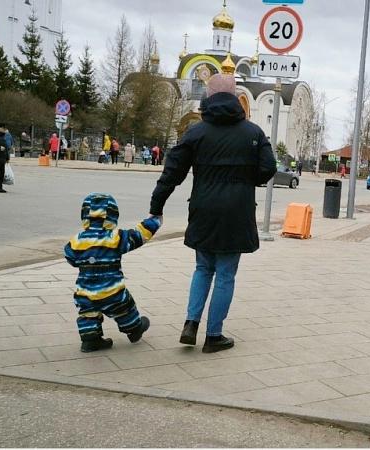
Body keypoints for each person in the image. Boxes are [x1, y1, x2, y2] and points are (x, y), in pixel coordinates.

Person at [150, 74, 276, 354]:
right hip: (237, 212)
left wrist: (156, 207)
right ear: (235, 97)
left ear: (208, 96)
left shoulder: (196, 133)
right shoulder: (253, 133)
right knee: (226, 274)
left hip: (203, 208)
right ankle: (214, 335)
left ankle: (191, 323)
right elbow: (268, 168)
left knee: (202, 267)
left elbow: (172, 173)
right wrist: (246, 180)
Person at [64, 193, 160, 353]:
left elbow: (70, 256)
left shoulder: (77, 240)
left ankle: (90, 340)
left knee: (88, 314)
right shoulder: (115, 238)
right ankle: (134, 329)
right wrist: (154, 222)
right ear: (112, 215)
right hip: (111, 290)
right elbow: (138, 236)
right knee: (125, 308)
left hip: (86, 291)